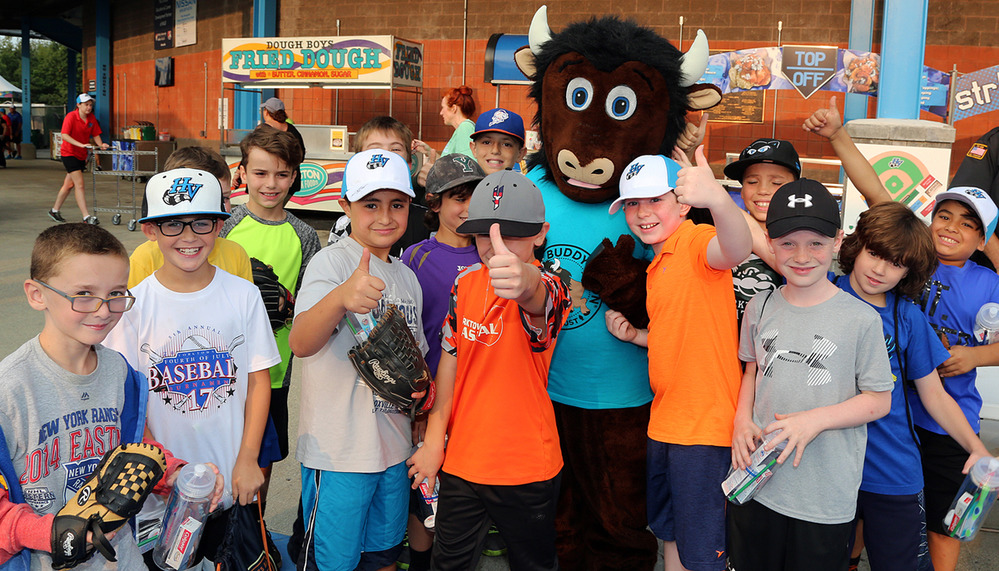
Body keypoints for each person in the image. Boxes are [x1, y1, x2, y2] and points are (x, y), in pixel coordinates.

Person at [0, 223, 222, 569]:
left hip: (120, 559)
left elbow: (132, 453)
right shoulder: (9, 391)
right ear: (36, 294)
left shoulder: (120, 373)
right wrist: (52, 532)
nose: (104, 310)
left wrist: (175, 473)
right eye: (84, 294)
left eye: (117, 293)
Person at [103, 168, 280, 566]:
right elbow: (128, 401)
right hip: (161, 493)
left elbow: (258, 381)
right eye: (172, 224)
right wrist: (162, 471)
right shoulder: (133, 306)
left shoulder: (243, 295)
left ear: (220, 224)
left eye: (202, 222)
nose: (188, 236)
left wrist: (249, 458)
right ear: (150, 231)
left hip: (231, 479)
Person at [407, 169, 571, 570]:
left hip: (528, 467)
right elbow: (451, 359)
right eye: (484, 233)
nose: (494, 246)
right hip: (462, 460)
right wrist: (434, 439)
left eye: (511, 234)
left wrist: (525, 280)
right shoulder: (463, 285)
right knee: (448, 563)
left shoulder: (555, 283)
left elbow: (540, 296)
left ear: (541, 233)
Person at [728, 178, 893, 571]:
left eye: (815, 243)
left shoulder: (860, 319)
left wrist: (813, 421)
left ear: (837, 242)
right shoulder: (759, 305)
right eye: (788, 243)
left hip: (824, 498)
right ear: (770, 243)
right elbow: (752, 369)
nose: (801, 255)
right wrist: (740, 418)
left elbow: (879, 399)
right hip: (758, 485)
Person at [602, 149, 751, 571]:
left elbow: (735, 248)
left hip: (703, 430)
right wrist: (638, 337)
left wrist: (719, 200)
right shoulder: (657, 263)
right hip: (666, 423)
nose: (642, 212)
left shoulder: (694, 241)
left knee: (704, 552)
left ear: (683, 204)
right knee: (670, 534)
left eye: (655, 200)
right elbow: (682, 331)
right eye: (632, 203)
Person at [289, 149, 428, 571]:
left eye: (397, 205)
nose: (385, 217)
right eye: (371, 205)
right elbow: (300, 341)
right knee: (333, 562)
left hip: (393, 449)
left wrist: (422, 412)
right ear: (345, 205)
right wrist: (341, 298)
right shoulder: (330, 262)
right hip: (339, 454)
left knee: (384, 555)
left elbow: (416, 362)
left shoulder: (408, 276)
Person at [833, 201, 991, 571]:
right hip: (826, 466)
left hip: (891, 468)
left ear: (909, 270)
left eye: (897, 262)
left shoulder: (907, 315)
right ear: (857, 247)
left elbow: (935, 395)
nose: (879, 268)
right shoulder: (821, 292)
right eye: (874, 253)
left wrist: (976, 447)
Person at [220, 125, 321, 498]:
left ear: (295, 176)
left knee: (261, 463)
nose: (271, 183)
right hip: (220, 370)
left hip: (274, 372)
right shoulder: (225, 227)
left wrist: (286, 304)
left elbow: (308, 308)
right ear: (242, 172)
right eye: (260, 173)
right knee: (220, 459)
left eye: (281, 174)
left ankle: (254, 543)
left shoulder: (305, 235)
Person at [727, 96, 890, 323]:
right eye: (752, 182)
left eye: (776, 183)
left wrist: (837, 135)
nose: (763, 190)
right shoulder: (720, 230)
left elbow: (883, 205)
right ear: (741, 189)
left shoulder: (820, 238)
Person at [399, 153, 485, 570]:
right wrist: (418, 404)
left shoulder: (492, 256)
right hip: (430, 398)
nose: (467, 206)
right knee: (424, 492)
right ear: (434, 203)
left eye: (476, 195)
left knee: (465, 493)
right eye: (457, 197)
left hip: (479, 399)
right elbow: (404, 335)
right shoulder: (414, 257)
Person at [909, 186, 999, 571]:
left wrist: (974, 356)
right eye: (943, 216)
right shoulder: (907, 259)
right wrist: (837, 137)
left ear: (982, 240)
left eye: (968, 224)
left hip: (952, 424)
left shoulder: (988, 282)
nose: (951, 227)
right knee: (870, 503)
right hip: (892, 415)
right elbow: (877, 194)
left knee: (947, 521)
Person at [128, 145, 253, 288]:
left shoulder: (236, 255)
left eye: (224, 198)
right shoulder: (144, 260)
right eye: (174, 224)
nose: (219, 209)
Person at [328, 116, 431, 255]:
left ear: (409, 162)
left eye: (395, 149)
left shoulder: (426, 220)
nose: (386, 155)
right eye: (375, 150)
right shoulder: (344, 225)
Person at [50, 94, 110, 224]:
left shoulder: (91, 118)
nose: (89, 107)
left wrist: (101, 145)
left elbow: (95, 134)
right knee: (80, 184)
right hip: (69, 154)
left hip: (81, 155)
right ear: (78, 105)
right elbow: (64, 135)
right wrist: (81, 144)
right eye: (86, 104)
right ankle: (86, 217)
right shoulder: (71, 117)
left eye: (90, 105)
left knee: (68, 185)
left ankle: (54, 210)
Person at [259, 97, 306, 201]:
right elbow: (301, 156)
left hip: (266, 180)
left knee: (266, 212)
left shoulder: (263, 130)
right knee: (275, 211)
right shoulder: (293, 131)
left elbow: (252, 153)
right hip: (289, 180)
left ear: (267, 112)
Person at [469, 108, 527, 175]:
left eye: (506, 144)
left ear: (520, 154)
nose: (495, 151)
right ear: (474, 149)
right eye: (487, 142)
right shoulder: (461, 184)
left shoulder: (525, 185)